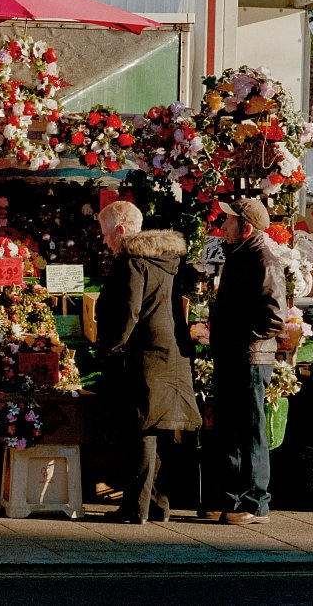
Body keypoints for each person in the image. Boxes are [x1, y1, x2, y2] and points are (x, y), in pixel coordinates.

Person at [95, 201, 201, 524]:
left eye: (106, 234)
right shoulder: (166, 259)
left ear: (121, 231)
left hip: (144, 355)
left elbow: (129, 312)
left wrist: (110, 346)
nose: (104, 241)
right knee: (155, 430)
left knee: (140, 429)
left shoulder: (132, 261)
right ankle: (156, 504)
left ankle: (135, 508)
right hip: (169, 353)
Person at [208, 197, 287, 525]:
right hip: (234, 354)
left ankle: (255, 503)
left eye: (228, 222)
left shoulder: (263, 259)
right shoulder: (240, 255)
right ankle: (231, 497)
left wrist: (238, 337)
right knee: (229, 428)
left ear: (247, 227)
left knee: (250, 429)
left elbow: (275, 317)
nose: (222, 227)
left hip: (251, 357)